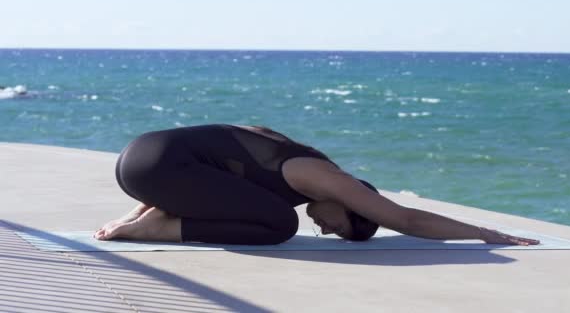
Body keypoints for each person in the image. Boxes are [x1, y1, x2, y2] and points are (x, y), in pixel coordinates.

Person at [94, 123, 540, 246]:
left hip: (140, 157)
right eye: (340, 228)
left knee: (256, 206)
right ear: (352, 204)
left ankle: (146, 215)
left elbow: (239, 138)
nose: (325, 231)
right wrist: (485, 233)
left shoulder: (299, 161)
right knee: (278, 225)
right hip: (158, 167)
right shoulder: (328, 179)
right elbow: (406, 218)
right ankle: (159, 228)